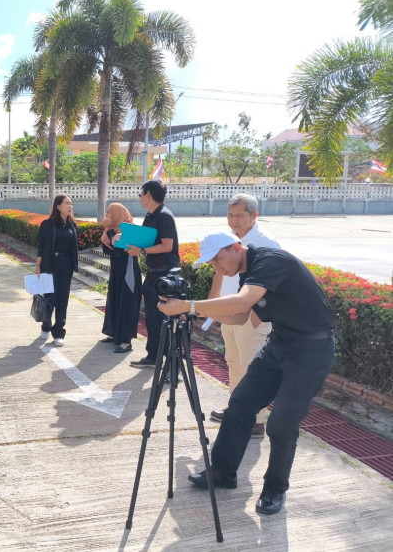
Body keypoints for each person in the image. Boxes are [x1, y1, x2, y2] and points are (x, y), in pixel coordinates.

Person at [157, 232, 334, 515]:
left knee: (281, 423)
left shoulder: (269, 260)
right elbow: (241, 317)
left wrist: (189, 306)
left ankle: (275, 489)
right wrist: (192, 313)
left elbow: (240, 304)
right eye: (212, 264)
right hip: (280, 343)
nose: (218, 267)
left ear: (236, 247)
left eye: (219, 259)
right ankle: (222, 473)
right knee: (240, 403)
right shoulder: (248, 272)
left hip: (311, 350)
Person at [209, 194, 280, 439]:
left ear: (254, 215)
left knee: (252, 367)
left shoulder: (266, 243)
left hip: (253, 315)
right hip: (230, 312)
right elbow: (219, 273)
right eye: (230, 215)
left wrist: (260, 314)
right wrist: (214, 305)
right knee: (234, 363)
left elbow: (274, 283)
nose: (234, 221)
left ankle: (256, 421)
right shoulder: (228, 240)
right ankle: (236, 410)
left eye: (239, 216)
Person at [126, 180, 180, 368]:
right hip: (153, 274)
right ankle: (153, 356)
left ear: (148, 194)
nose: (140, 197)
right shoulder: (151, 215)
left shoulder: (164, 216)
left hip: (165, 275)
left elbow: (167, 246)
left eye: (141, 193)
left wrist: (141, 250)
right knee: (151, 317)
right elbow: (146, 240)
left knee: (164, 319)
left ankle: (171, 363)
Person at [35, 195, 78, 347]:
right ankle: (46, 326)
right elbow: (41, 246)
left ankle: (59, 332)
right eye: (66, 203)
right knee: (50, 299)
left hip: (66, 266)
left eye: (71, 203)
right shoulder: (47, 224)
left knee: (62, 299)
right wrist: (38, 266)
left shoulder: (72, 225)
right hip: (50, 265)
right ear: (58, 206)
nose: (70, 206)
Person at [100, 203, 142, 353]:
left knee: (127, 304)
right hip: (116, 272)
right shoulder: (110, 230)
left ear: (119, 213)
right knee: (114, 301)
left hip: (128, 272)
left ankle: (126, 341)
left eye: (111, 212)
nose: (108, 215)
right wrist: (107, 230)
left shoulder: (129, 229)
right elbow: (108, 250)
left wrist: (111, 234)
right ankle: (114, 333)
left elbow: (119, 250)